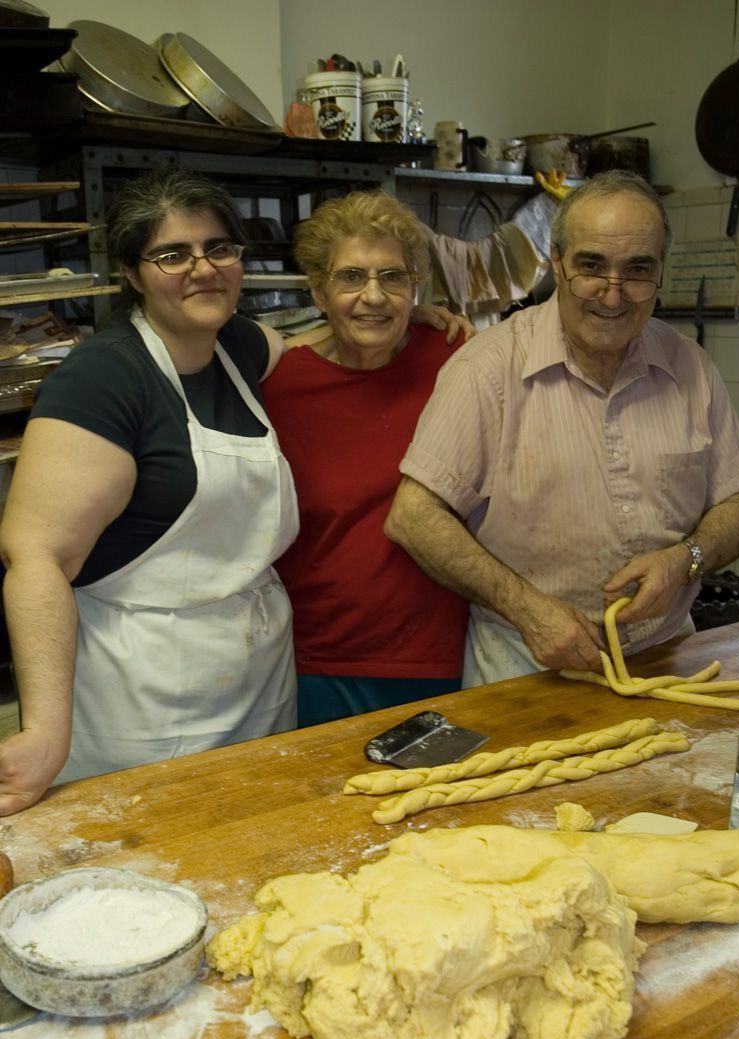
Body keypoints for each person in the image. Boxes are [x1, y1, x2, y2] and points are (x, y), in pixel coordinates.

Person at [0, 168, 464, 815]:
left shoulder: (238, 348)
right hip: (146, 698)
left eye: (218, 248)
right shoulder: (103, 379)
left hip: (256, 687)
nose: (202, 269)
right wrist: (45, 729)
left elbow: (322, 341)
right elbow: (35, 559)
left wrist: (412, 317)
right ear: (132, 272)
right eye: (172, 254)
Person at [385, 170, 739, 685]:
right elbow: (413, 517)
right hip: (526, 662)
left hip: (668, 655)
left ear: (659, 271)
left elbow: (736, 504)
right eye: (591, 266)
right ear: (556, 262)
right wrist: (528, 609)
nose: (612, 296)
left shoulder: (691, 367)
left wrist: (686, 559)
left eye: (637, 270)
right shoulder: (486, 370)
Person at [264, 190, 470, 726]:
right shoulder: (278, 384)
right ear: (318, 290)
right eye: (351, 277)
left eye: (392, 277)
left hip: (442, 652)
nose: (373, 296)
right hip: (320, 660)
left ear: (415, 287)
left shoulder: (454, 360)